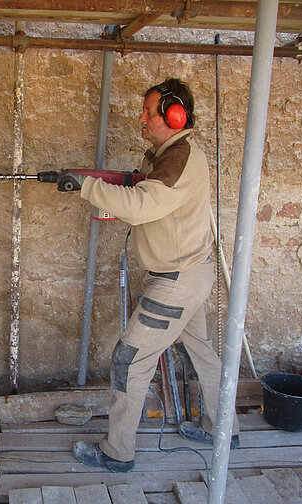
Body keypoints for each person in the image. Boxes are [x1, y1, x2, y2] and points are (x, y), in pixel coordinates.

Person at [61, 78, 240, 472]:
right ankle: (224, 428)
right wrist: (117, 180)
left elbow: (143, 205)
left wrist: (88, 186)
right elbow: (146, 188)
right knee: (203, 354)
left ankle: (117, 452)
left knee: (129, 359)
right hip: (190, 274)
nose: (140, 118)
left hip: (175, 282)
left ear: (175, 115)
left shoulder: (178, 158)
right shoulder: (168, 155)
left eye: (148, 111)